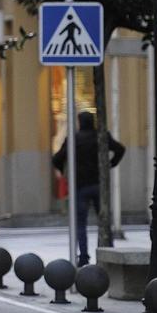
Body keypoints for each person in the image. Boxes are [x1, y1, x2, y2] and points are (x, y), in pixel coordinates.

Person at [52, 111, 126, 266]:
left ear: (79, 122)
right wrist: (109, 165)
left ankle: (84, 256)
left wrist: (65, 172)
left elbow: (57, 158)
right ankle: (107, 252)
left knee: (81, 223)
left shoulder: (73, 139)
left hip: (80, 186)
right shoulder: (102, 136)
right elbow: (120, 149)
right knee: (104, 220)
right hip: (99, 184)